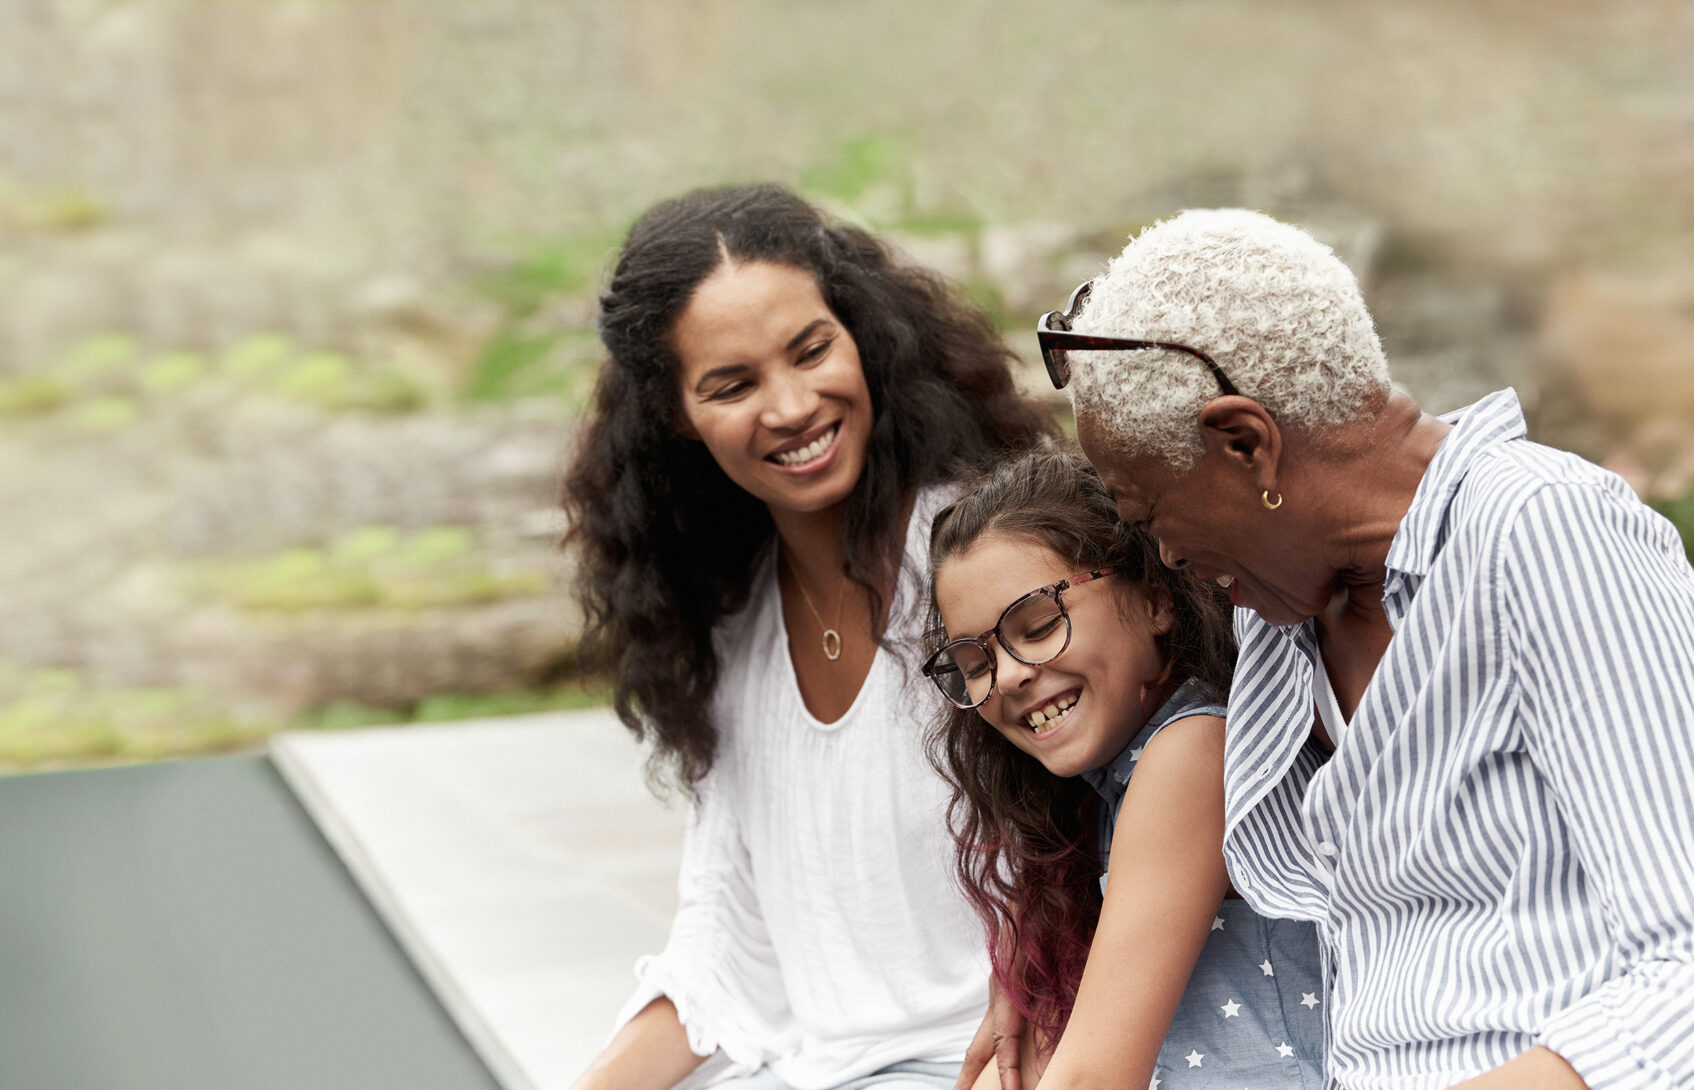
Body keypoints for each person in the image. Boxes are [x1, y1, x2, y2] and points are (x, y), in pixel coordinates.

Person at [1040, 208, 1694, 1089]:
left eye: (1150, 515)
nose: (1166, 559)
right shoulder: (1281, 614)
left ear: (1246, 444)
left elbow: (1682, 972)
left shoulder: (1542, 532)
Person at [562, 183, 1056, 1090]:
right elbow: (724, 947)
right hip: (813, 1070)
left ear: (861, 338)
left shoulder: (986, 569)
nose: (790, 407)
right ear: (677, 415)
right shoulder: (732, 625)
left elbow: (1102, 855)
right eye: (733, 385)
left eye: (811, 350)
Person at [923, 448, 1324, 1090]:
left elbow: (1092, 1078)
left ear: (1156, 601)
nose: (1010, 676)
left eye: (1038, 624)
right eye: (975, 662)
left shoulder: (1191, 749)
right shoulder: (1107, 790)